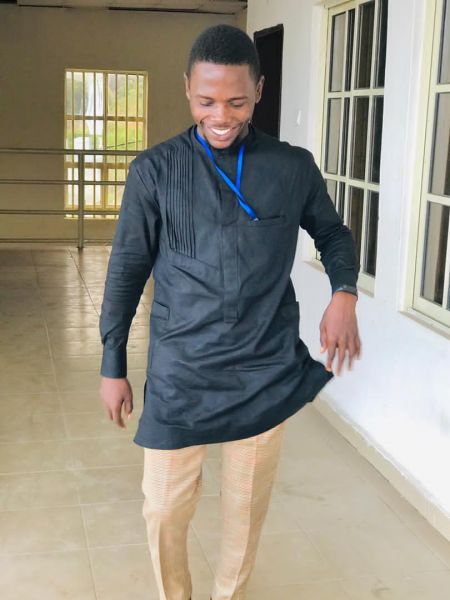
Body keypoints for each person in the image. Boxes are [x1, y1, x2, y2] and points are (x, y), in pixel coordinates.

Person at [99, 23, 361, 600]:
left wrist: (344, 292)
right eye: (206, 101)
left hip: (262, 367)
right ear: (187, 89)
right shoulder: (154, 171)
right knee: (163, 508)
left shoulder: (291, 168)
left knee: (245, 511)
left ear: (259, 91)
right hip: (181, 369)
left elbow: (334, 234)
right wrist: (112, 362)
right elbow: (126, 270)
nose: (220, 116)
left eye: (237, 102)